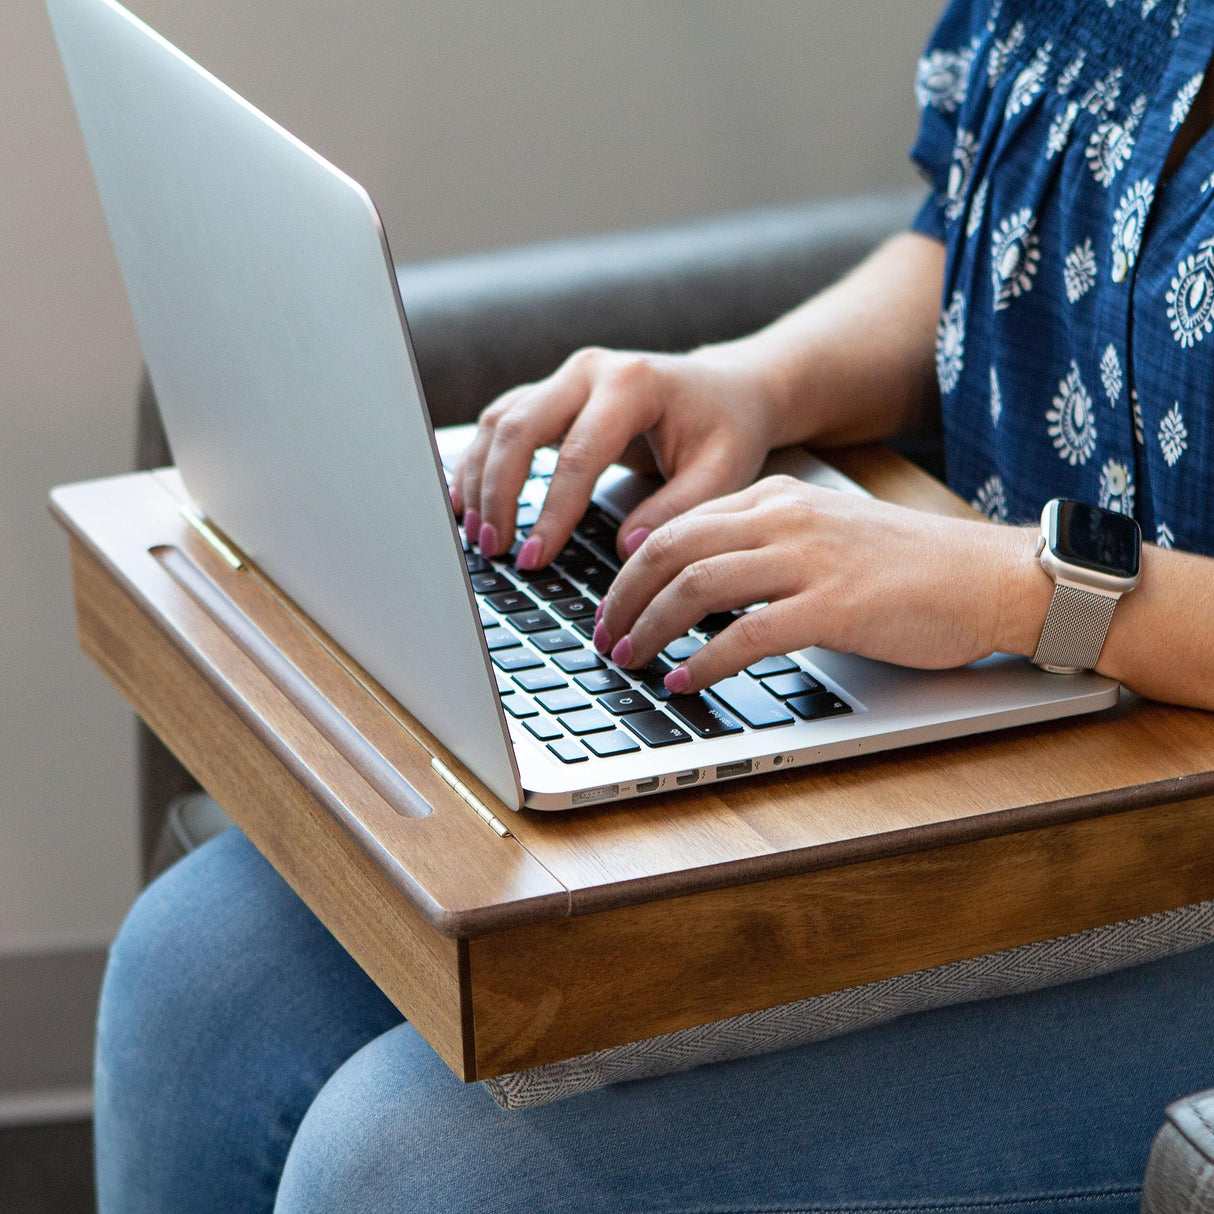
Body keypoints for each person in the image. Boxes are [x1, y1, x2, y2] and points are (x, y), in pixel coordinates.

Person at [95, 1, 1214, 1210]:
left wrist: (1011, 587)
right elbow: (974, 238)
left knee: (417, 1172)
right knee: (200, 978)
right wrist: (752, 382)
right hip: (1027, 715)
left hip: (1159, 820)